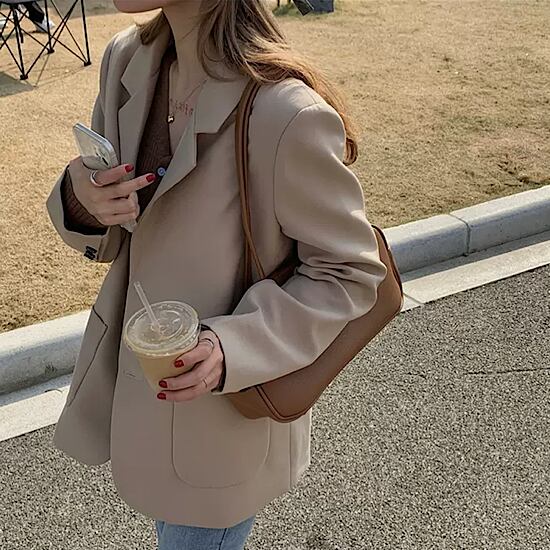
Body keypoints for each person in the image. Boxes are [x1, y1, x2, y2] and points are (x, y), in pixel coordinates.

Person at [45, 0, 388, 548]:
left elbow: (348, 271)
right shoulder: (127, 60)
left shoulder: (285, 112)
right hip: (141, 404)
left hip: (224, 422)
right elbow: (116, 236)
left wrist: (233, 345)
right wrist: (82, 197)